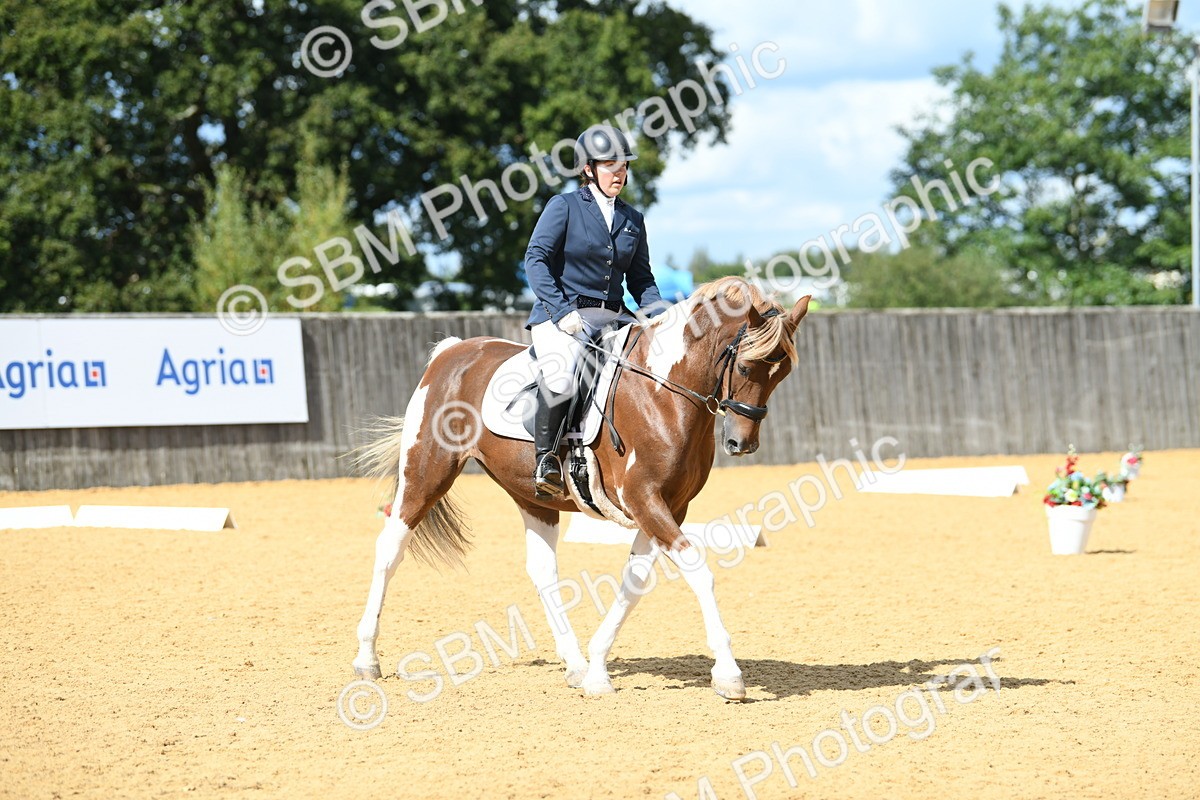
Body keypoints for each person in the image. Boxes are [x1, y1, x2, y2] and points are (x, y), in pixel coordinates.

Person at [522, 124, 666, 498]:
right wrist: (559, 309)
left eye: (623, 166)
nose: (619, 172)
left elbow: (641, 279)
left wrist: (661, 317)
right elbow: (535, 259)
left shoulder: (632, 219)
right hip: (564, 316)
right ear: (588, 169)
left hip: (613, 317)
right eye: (610, 165)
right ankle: (546, 459)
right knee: (564, 376)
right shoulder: (564, 206)